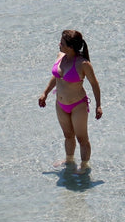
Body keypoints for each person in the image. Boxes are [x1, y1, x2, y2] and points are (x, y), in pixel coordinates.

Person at [38, 29, 103, 172]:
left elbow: (94, 84)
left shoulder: (83, 64)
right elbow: (57, 77)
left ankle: (85, 166)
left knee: (82, 139)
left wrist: (98, 106)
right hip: (60, 104)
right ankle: (69, 160)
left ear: (71, 46)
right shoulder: (60, 56)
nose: (59, 44)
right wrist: (45, 93)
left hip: (77, 105)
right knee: (68, 136)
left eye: (62, 43)